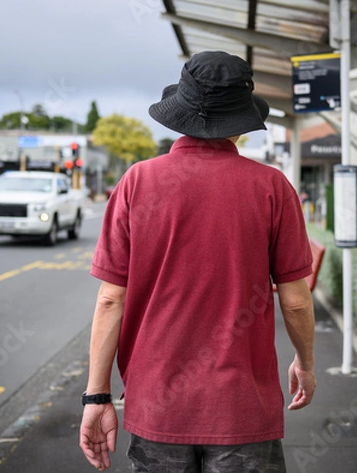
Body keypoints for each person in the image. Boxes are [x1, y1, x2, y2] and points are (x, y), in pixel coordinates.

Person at [80, 50, 316, 472]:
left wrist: (97, 396)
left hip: (157, 406)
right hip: (243, 407)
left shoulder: (137, 182)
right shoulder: (272, 188)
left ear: (181, 112)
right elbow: (296, 300)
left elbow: (110, 300)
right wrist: (306, 363)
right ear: (240, 123)